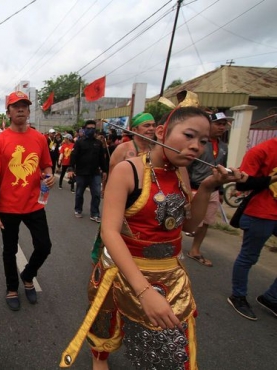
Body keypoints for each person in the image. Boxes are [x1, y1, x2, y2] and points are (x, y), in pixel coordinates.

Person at [60, 107, 242, 370]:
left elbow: (187, 226)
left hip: (169, 274)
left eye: (202, 141)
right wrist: (144, 291)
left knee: (170, 351)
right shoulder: (127, 170)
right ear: (161, 133)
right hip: (123, 270)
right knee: (106, 325)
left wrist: (207, 187)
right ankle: (100, 361)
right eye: (189, 136)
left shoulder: (181, 172)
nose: (196, 147)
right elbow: (109, 232)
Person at [0, 91, 54, 311]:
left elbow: (46, 165)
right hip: (9, 207)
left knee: (44, 246)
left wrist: (49, 176)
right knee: (9, 250)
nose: (21, 108)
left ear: (28, 110)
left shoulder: (40, 138)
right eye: (16, 106)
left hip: (35, 204)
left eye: (24, 105)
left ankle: (28, 274)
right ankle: (12, 287)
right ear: (9, 112)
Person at [228, 137, 277, 321]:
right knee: (249, 256)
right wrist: (270, 179)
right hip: (260, 213)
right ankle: (238, 295)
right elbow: (242, 183)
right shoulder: (260, 151)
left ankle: (271, 298)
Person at [186, 111, 230, 267]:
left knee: (206, 223)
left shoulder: (224, 147)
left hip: (213, 190)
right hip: (193, 188)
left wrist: (221, 191)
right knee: (185, 221)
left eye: (224, 124)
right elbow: (187, 166)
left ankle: (195, 250)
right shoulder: (198, 145)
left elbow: (222, 170)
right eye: (218, 124)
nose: (222, 127)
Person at [68, 120, 107, 222]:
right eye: (88, 128)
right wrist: (71, 169)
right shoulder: (79, 142)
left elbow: (102, 159)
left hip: (95, 174)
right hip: (81, 173)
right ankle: (78, 210)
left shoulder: (98, 143)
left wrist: (105, 170)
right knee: (79, 193)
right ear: (84, 129)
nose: (91, 130)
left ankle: (94, 213)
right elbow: (73, 156)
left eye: (93, 128)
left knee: (97, 194)